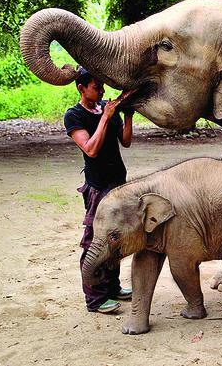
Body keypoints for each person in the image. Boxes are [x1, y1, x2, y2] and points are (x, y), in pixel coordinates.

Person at [64, 67, 135, 313]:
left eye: (103, 86)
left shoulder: (106, 107)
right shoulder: (74, 116)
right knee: (94, 242)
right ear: (81, 88)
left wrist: (127, 116)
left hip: (118, 183)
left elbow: (125, 141)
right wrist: (105, 117)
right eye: (97, 87)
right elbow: (91, 149)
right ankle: (94, 299)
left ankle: (112, 287)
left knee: (116, 238)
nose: (102, 90)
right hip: (98, 187)